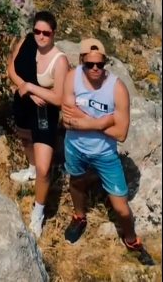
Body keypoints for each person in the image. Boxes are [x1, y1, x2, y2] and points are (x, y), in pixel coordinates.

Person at [62, 38, 154, 265]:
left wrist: (86, 122)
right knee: (76, 183)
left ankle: (131, 240)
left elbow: (121, 133)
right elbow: (67, 120)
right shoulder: (72, 78)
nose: (95, 69)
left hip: (105, 155)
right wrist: (104, 121)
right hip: (75, 147)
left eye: (100, 65)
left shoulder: (117, 88)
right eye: (89, 64)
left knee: (122, 208)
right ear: (81, 61)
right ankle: (79, 216)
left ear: (105, 63)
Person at [7, 10, 69, 238]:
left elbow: (59, 99)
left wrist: (32, 88)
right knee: (25, 138)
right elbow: (11, 68)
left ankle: (38, 212)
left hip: (44, 113)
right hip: (23, 104)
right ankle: (30, 169)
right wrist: (26, 88)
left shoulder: (59, 60)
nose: (41, 37)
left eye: (46, 33)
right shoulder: (26, 41)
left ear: (54, 34)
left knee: (46, 169)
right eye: (37, 31)